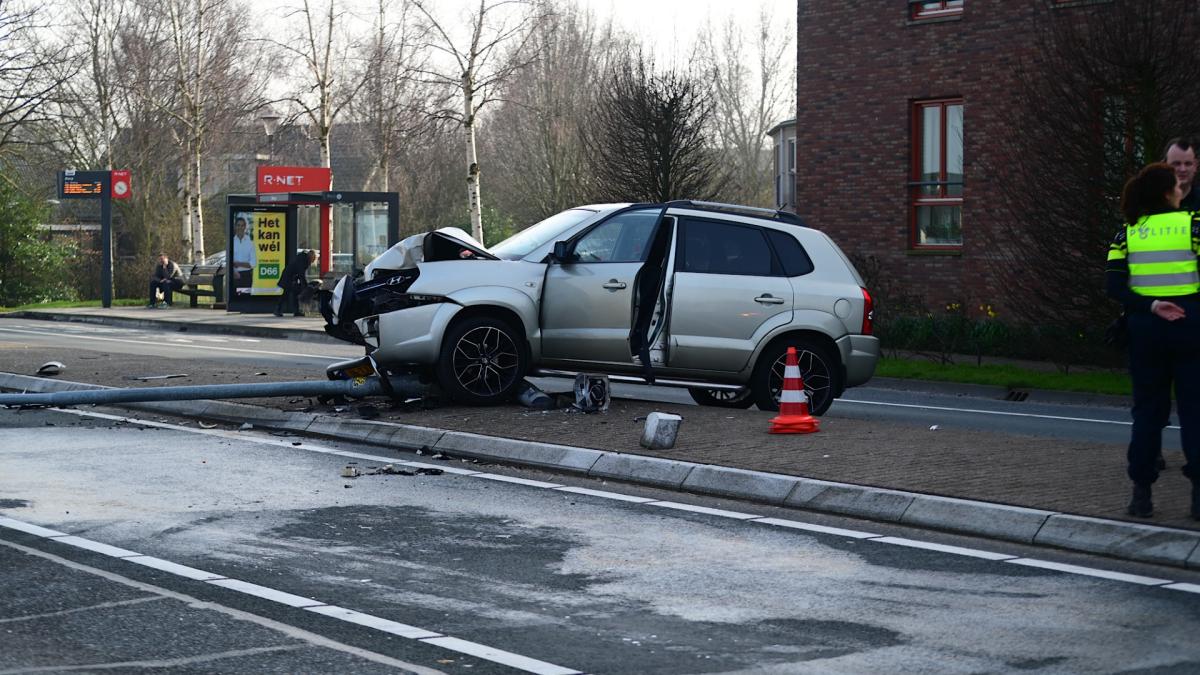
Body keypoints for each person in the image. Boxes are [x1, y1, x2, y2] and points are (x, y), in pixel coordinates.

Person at [1105, 162, 1200, 519]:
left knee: (1146, 414)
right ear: (1166, 193)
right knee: (1195, 412)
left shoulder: (1126, 233)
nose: (1181, 190)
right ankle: (1197, 499)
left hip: (1145, 330)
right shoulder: (1193, 226)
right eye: (1177, 185)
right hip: (1191, 325)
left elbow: (1113, 286)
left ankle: (1141, 494)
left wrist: (1151, 304)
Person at [275, 249, 317, 317]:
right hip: (288, 277)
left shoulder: (304, 259)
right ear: (311, 256)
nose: (313, 261)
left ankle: (294, 311)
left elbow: (301, 274)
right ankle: (278, 309)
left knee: (294, 292)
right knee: (286, 293)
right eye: (313, 258)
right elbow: (301, 274)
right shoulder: (303, 259)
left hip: (291, 277)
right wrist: (305, 286)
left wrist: (304, 285)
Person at [1165, 137, 1200, 213]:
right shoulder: (1149, 203)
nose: (1183, 169)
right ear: (1164, 166)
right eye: (1176, 164)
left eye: (1188, 164)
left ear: (1195, 166)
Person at [231, 216, 256, 289]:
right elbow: (229, 261)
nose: (240, 228)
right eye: (238, 225)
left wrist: (237, 263)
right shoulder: (231, 242)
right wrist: (234, 271)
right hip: (234, 275)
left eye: (242, 225)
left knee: (246, 299)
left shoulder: (250, 243)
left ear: (245, 227)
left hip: (247, 276)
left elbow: (253, 264)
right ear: (235, 226)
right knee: (234, 299)